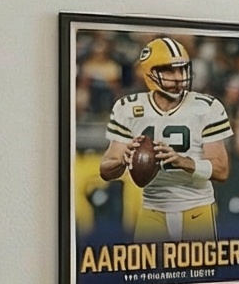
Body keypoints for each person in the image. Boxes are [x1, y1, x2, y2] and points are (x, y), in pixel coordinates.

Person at [98, 35, 231, 242]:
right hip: (152, 208)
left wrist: (183, 161)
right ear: (150, 73)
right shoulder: (128, 107)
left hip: (196, 207)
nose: (178, 77)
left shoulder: (206, 107)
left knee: (200, 274)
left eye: (181, 68)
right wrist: (124, 159)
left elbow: (222, 171)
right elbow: (106, 169)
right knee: (145, 273)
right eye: (169, 70)